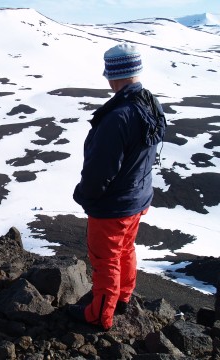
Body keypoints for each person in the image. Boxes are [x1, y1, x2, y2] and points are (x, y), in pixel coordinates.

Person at [69, 43, 166, 330]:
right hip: (136, 197)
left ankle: (99, 316)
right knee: (125, 250)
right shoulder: (150, 102)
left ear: (114, 74)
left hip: (113, 206)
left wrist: (86, 194)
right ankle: (122, 298)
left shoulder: (118, 116)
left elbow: (101, 169)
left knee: (105, 259)